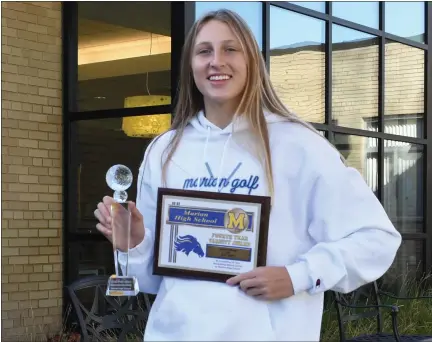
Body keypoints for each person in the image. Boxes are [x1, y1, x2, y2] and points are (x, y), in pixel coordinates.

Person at [94, 9, 402, 341]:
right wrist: (135, 244)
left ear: (252, 61)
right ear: (191, 65)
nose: (216, 61)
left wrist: (299, 276)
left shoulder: (299, 145)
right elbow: (154, 281)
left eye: (230, 49)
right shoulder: (166, 149)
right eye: (204, 51)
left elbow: (377, 239)